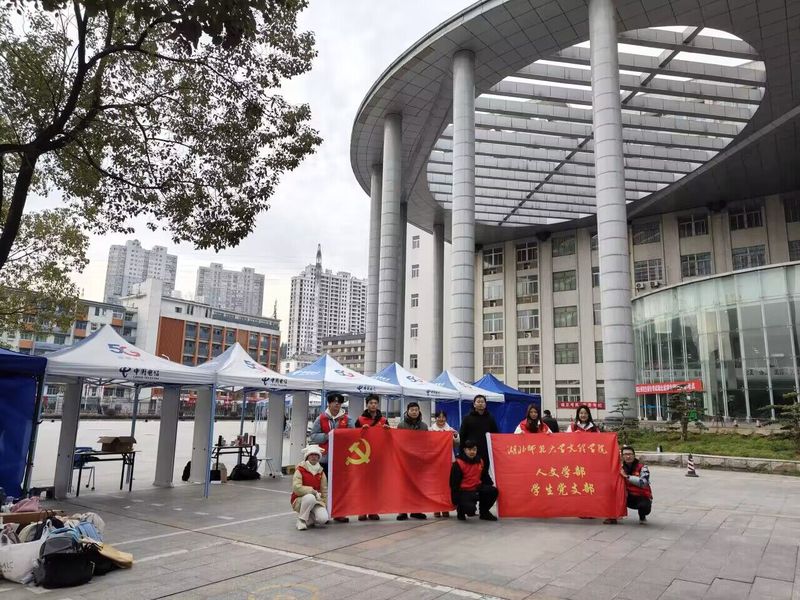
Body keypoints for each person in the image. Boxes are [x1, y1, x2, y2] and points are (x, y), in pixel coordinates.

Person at [308, 392, 350, 522]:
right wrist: (327, 436)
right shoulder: (321, 418)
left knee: (340, 487)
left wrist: (342, 435)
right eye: (334, 402)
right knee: (323, 487)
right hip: (325, 459)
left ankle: (339, 513)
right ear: (329, 403)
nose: (337, 404)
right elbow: (313, 436)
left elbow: (353, 435)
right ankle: (323, 513)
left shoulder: (347, 419)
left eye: (339, 402)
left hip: (341, 459)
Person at [355, 394, 387, 521]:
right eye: (371, 403)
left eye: (375, 403)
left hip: (378, 457)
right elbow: (353, 437)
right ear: (367, 404)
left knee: (376, 485)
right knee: (363, 484)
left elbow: (388, 439)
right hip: (363, 457)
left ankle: (373, 510)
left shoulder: (383, 420)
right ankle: (362, 510)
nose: (373, 405)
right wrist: (361, 430)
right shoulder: (360, 420)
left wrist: (388, 430)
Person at [450, 439, 498, 521]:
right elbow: (454, 484)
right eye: (469, 449)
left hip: (477, 488)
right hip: (464, 491)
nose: (472, 452)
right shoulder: (458, 464)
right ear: (465, 450)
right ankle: (461, 510)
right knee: (470, 510)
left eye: (474, 449)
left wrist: (491, 485)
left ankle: (484, 512)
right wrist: (455, 499)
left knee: (493, 491)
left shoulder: (480, 461)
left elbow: (484, 475)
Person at [396, 401, 428, 521]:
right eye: (412, 410)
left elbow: (427, 442)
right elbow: (398, 442)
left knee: (418, 486)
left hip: (418, 461)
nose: (414, 412)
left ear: (419, 411)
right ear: (407, 411)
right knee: (404, 486)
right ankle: (402, 511)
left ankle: (416, 510)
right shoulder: (401, 425)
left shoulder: (424, 426)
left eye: (416, 410)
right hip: (404, 460)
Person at [604, 445, 652, 525]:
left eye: (630, 454)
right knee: (610, 494)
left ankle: (642, 516)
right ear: (622, 456)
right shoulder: (620, 467)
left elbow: (643, 483)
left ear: (634, 455)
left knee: (645, 506)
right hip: (625, 496)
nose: (628, 456)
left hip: (640, 496)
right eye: (625, 454)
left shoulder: (643, 467)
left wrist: (627, 476)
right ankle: (613, 516)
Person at [291, 445, 329, 530]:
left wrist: (324, 503)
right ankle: (301, 520)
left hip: (317, 501)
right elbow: (296, 488)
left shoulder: (321, 472)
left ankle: (309, 518)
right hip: (300, 499)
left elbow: (324, 490)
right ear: (307, 456)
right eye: (311, 455)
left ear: (319, 457)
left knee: (323, 519)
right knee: (310, 497)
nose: (314, 457)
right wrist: (313, 491)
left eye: (316, 455)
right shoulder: (300, 470)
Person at [430, 409, 459, 517]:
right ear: (435, 418)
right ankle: (436, 508)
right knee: (436, 486)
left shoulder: (450, 430)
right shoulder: (431, 430)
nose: (441, 419)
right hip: (436, 461)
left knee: (447, 485)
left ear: (446, 418)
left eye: (443, 417)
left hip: (448, 460)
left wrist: (455, 436)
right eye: (439, 417)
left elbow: (456, 444)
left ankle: (445, 507)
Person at [458, 395, 499, 467]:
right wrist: (462, 451)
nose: (480, 403)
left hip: (486, 450)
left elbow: (495, 435)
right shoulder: (467, 418)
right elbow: (462, 435)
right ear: (474, 404)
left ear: (485, 404)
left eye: (482, 402)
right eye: (478, 402)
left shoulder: (490, 418)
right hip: (471, 451)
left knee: (485, 469)